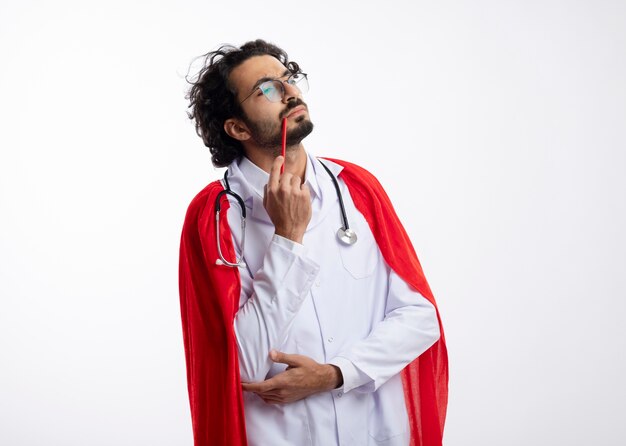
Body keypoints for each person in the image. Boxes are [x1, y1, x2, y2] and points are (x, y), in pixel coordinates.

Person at [178, 39, 448, 446]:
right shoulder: (216, 217)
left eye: (288, 79)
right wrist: (288, 239)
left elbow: (420, 317)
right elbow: (240, 367)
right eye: (266, 89)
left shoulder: (358, 189)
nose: (290, 92)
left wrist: (335, 374)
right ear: (238, 127)